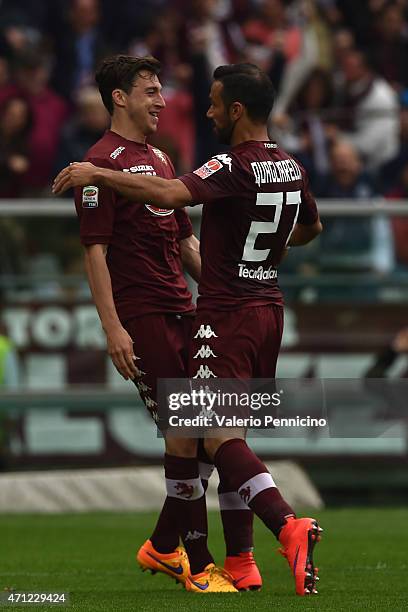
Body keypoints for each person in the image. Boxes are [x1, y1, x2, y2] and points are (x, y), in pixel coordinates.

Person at [54, 62, 323, 596]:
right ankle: (199, 564)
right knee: (193, 433)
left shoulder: (159, 160)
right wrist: (114, 328)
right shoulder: (98, 161)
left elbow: (184, 243)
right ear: (118, 97)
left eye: (162, 91)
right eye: (151, 91)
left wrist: (232, 284)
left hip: (194, 308)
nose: (163, 101)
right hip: (145, 315)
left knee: (206, 437)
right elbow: (96, 251)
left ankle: (173, 547)